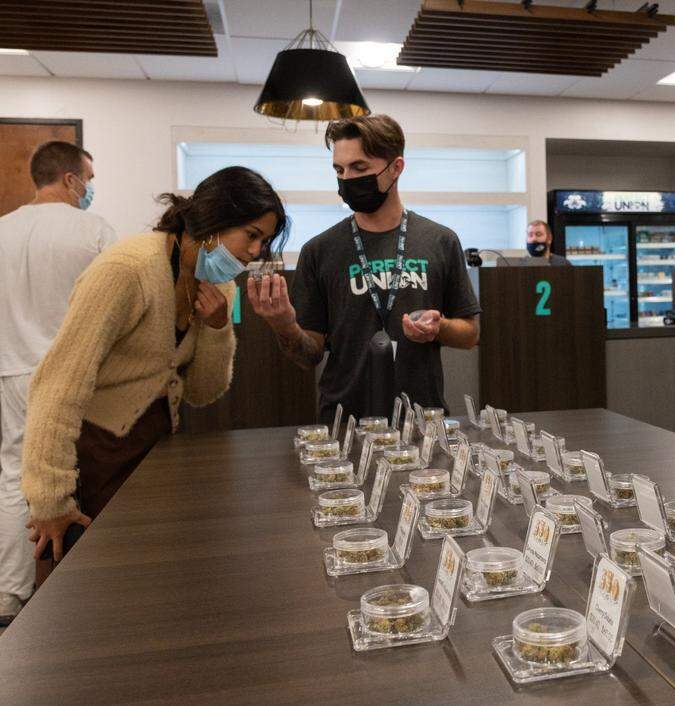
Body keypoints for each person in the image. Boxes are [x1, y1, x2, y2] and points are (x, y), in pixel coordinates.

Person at [20, 166, 287, 565]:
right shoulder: (128, 269)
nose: (255, 252)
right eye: (251, 235)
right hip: (93, 453)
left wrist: (217, 329)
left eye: (263, 242)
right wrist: (50, 500)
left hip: (155, 444)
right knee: (91, 577)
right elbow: (57, 385)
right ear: (213, 219)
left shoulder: (219, 284)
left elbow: (203, 392)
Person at [249, 115, 480, 423]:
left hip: (422, 421)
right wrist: (285, 326)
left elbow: (470, 335)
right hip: (344, 423)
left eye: (359, 168)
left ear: (396, 168)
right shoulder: (319, 250)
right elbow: (309, 355)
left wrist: (439, 328)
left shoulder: (440, 241)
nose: (347, 179)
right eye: (339, 170)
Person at [0, 141, 115, 625]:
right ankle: (81, 594)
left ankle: (9, 597)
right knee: (78, 474)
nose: (90, 188)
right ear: (70, 179)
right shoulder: (93, 230)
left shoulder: (3, 229)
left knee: (15, 476)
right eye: (89, 179)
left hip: (11, 369)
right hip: (72, 374)